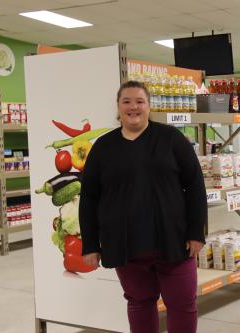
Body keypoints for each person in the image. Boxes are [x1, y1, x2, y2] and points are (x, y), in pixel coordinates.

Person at [79, 80, 207, 333]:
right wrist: (91, 244)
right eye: (126, 101)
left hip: (174, 240)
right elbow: (90, 197)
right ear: (118, 107)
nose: (133, 107)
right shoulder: (103, 147)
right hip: (126, 245)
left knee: (182, 303)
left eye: (140, 101)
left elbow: (195, 185)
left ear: (149, 106)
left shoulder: (171, 138)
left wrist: (195, 232)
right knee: (139, 302)